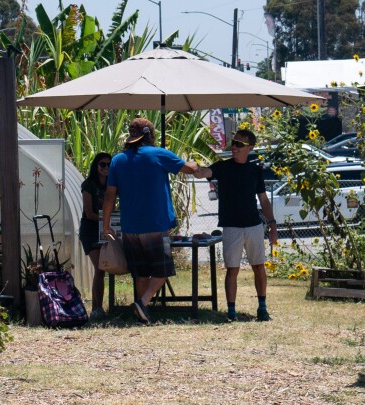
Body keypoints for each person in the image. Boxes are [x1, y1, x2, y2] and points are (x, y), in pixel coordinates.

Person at [102, 118, 199, 325]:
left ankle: (142, 312)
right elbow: (189, 169)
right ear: (150, 135)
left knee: (141, 272)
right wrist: (195, 163)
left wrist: (106, 224)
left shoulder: (118, 160)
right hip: (155, 226)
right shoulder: (159, 154)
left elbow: (110, 196)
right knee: (163, 270)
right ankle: (143, 302)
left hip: (129, 229)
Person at [195, 129, 278, 322]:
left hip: (254, 225)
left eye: (239, 144)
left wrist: (272, 225)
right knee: (232, 269)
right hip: (231, 226)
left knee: (259, 266)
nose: (234, 147)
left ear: (250, 148)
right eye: (233, 143)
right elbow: (204, 173)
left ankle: (262, 308)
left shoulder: (255, 170)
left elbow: (264, 200)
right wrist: (193, 168)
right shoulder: (222, 167)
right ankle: (231, 310)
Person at [79, 152, 111, 321]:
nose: (106, 168)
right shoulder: (88, 185)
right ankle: (96, 308)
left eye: (108, 165)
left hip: (105, 229)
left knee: (103, 269)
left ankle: (99, 307)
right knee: (99, 268)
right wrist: (106, 217)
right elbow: (89, 213)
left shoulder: (112, 185)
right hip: (91, 231)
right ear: (96, 167)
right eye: (102, 165)